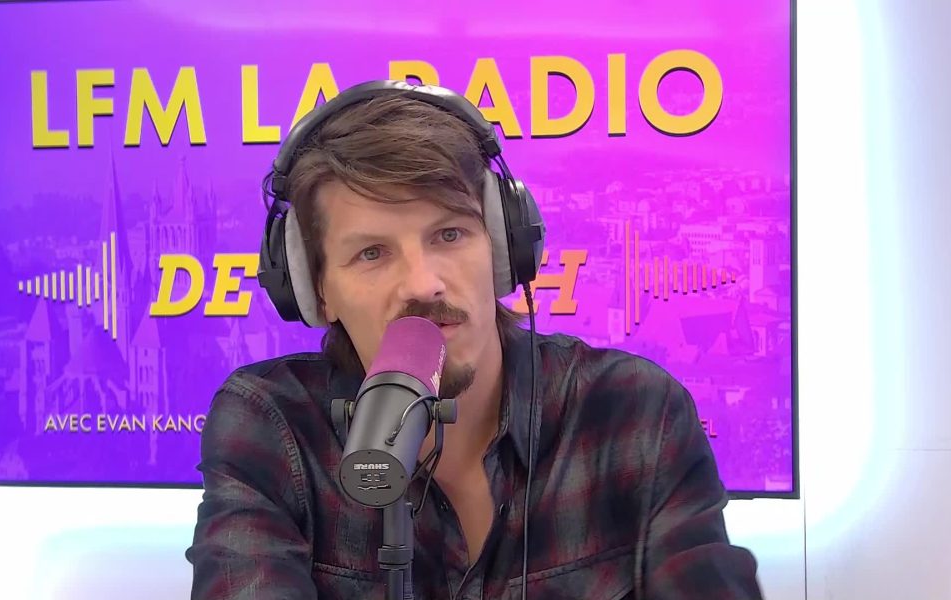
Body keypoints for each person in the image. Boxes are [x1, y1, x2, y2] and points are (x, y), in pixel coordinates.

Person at [186, 80, 763, 599]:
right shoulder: (274, 428)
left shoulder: (633, 413)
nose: (423, 283)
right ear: (318, 293)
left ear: (503, 249)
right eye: (372, 253)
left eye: (450, 234)